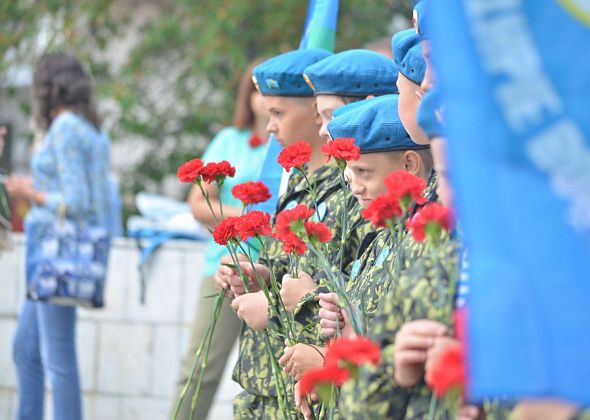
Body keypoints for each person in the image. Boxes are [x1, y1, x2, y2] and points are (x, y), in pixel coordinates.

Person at [213, 48, 334, 418]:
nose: (269, 126)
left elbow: (341, 294)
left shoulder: (347, 190)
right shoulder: (297, 181)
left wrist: (276, 305)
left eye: (278, 113)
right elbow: (287, 271)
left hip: (305, 385)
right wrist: (258, 276)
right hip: (267, 380)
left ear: (315, 111)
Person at [7, 51, 115, 420]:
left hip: (57, 253)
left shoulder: (67, 127)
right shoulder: (90, 128)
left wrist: (30, 193)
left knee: (56, 357)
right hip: (60, 253)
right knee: (26, 350)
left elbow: (76, 200)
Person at [173, 58, 270, 420]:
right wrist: (249, 219)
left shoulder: (291, 145)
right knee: (200, 368)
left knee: (270, 379)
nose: (264, 99)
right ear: (246, 96)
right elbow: (199, 202)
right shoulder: (230, 140)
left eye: (272, 90)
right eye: (257, 90)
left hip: (277, 272)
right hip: (225, 270)